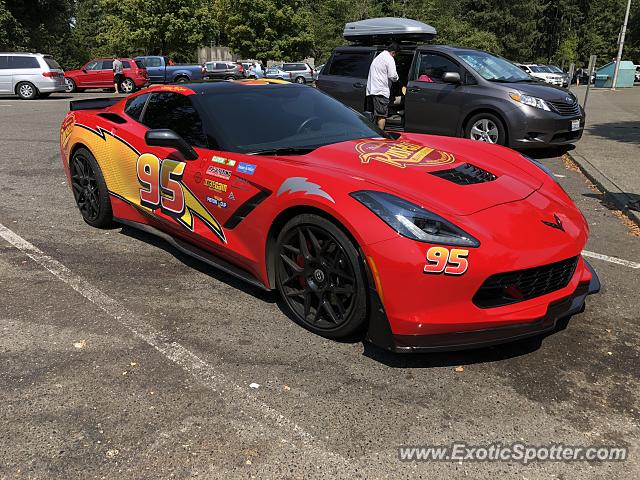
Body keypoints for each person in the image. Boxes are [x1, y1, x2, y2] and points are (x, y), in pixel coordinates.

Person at [365, 42, 399, 130]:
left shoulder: (379, 56)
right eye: (396, 55)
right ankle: (380, 135)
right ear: (393, 52)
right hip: (380, 91)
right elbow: (393, 75)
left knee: (372, 115)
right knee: (381, 115)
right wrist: (397, 79)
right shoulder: (389, 58)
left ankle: (372, 134)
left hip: (371, 90)